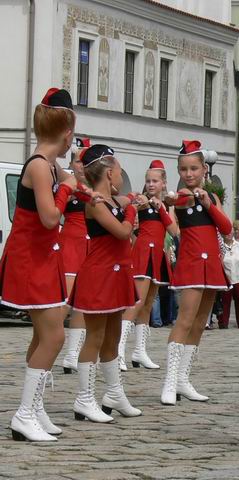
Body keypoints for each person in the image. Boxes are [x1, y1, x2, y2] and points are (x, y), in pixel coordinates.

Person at [1, 88, 89, 441]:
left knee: (44, 334)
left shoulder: (50, 165)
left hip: (41, 257)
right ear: (67, 132)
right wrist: (68, 188)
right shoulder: (40, 166)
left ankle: (35, 408)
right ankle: (24, 413)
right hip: (30, 260)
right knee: (55, 334)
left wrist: (77, 186)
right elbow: (51, 217)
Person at [67, 144, 141, 422]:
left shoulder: (108, 200)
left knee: (113, 337)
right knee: (95, 338)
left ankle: (113, 392)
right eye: (120, 171)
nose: (121, 176)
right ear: (110, 173)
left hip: (116, 273)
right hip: (99, 276)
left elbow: (123, 201)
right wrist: (133, 209)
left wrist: (134, 200)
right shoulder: (95, 204)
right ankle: (84, 398)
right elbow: (123, 232)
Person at [160, 140, 232, 406]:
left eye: (193, 169)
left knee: (200, 323)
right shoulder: (182, 196)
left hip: (211, 265)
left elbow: (225, 226)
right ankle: (169, 381)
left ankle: (183, 379)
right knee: (185, 321)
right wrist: (170, 199)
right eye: (183, 169)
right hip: (191, 263)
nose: (188, 174)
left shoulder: (210, 197)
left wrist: (208, 202)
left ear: (204, 169)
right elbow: (175, 200)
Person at [118, 160, 178, 370]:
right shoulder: (142, 200)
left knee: (148, 303)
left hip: (158, 255)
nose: (151, 184)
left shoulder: (166, 206)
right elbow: (130, 204)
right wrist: (139, 202)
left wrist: (161, 207)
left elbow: (173, 231)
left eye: (155, 181)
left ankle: (139, 351)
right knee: (137, 301)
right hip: (143, 253)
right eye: (148, 181)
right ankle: (119, 350)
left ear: (164, 183)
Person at [61, 137, 92, 374]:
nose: (80, 165)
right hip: (71, 240)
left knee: (82, 300)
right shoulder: (67, 182)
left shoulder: (97, 185)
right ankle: (51, 343)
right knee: (66, 297)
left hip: (91, 244)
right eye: (77, 160)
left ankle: (73, 353)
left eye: (84, 160)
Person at [220, 231, 239, 329]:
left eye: (230, 232)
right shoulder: (220, 247)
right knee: (225, 302)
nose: (228, 234)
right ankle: (223, 323)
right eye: (226, 232)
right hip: (226, 278)